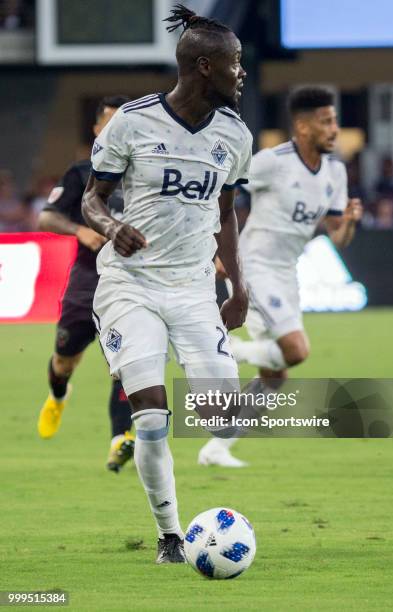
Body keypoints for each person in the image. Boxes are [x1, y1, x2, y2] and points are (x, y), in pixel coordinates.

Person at [82, 4, 252, 563]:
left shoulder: (234, 134)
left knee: (220, 414)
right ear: (205, 67)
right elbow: (92, 198)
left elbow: (226, 212)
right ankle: (171, 535)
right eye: (235, 64)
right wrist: (111, 226)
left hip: (194, 287)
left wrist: (239, 284)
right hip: (130, 284)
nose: (241, 73)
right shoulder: (132, 121)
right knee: (152, 412)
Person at [198, 87, 363, 466]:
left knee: (275, 376)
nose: (335, 129)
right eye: (326, 122)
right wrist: (219, 249)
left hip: (287, 274)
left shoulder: (335, 172)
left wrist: (350, 221)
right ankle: (230, 350)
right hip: (253, 267)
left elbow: (338, 235)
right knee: (296, 350)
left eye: (334, 120)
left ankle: (216, 448)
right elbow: (222, 194)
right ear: (302, 127)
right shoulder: (272, 162)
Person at [37, 95, 136, 473]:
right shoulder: (81, 173)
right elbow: (47, 218)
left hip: (131, 281)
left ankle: (119, 440)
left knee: (126, 360)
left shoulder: (146, 172)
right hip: (88, 277)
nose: (114, 132)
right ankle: (58, 394)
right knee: (65, 356)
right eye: (107, 124)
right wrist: (80, 229)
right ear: (96, 130)